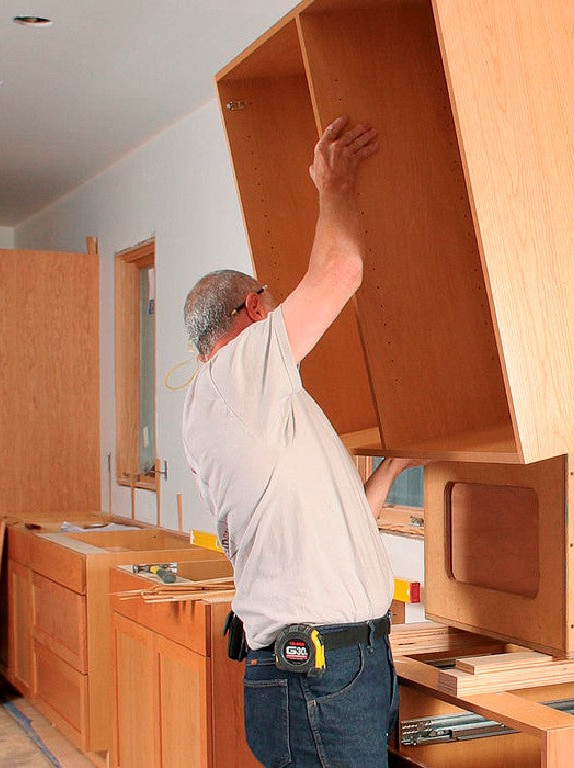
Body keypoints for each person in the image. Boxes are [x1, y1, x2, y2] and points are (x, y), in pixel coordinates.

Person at [181, 115, 411, 768]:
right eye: (273, 303)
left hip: (343, 666)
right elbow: (341, 266)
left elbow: (330, 535)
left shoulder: (265, 409)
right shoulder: (236, 377)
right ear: (254, 309)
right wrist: (334, 186)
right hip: (317, 675)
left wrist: (389, 471)